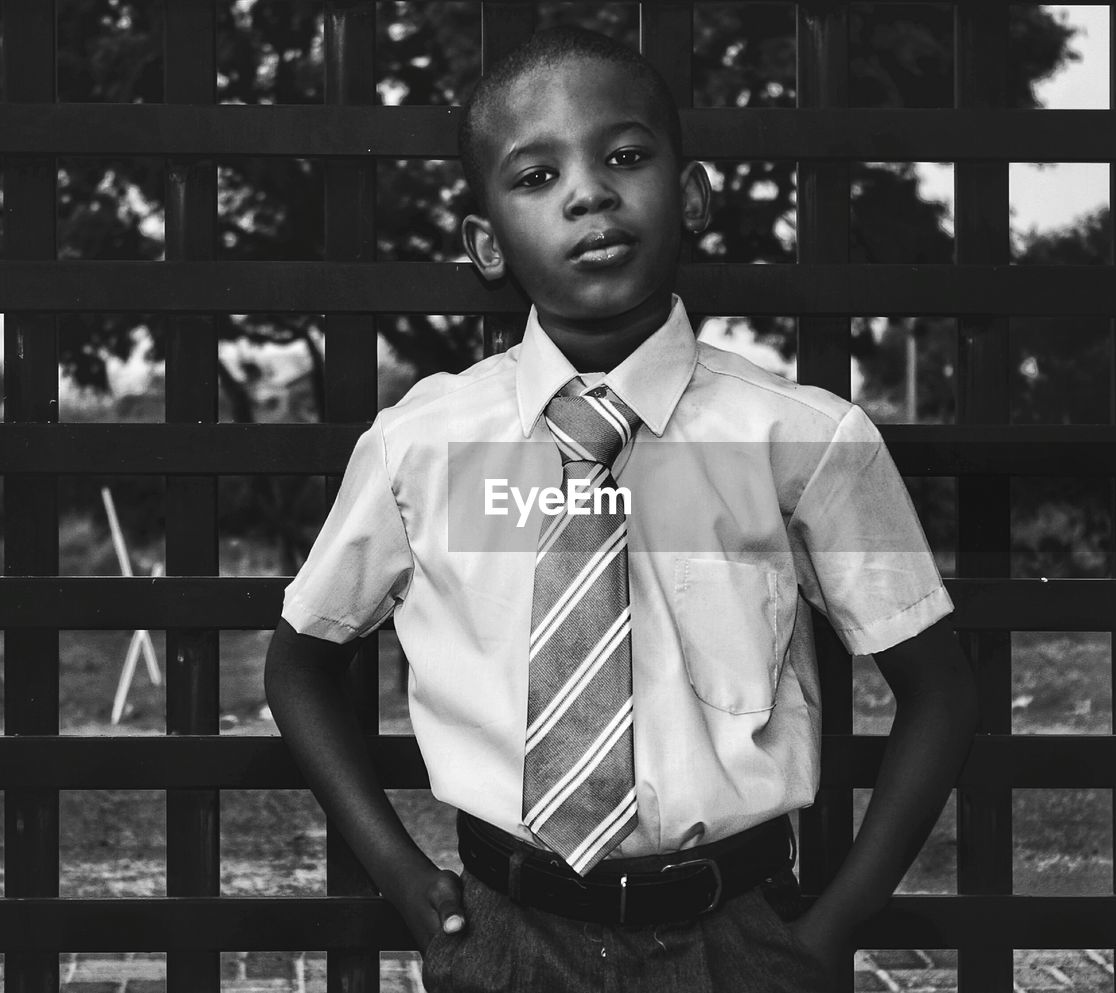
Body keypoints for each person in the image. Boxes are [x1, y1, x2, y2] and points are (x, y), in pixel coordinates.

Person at [264, 24, 980, 993]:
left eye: (625, 157)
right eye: (534, 177)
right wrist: (405, 881)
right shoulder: (422, 444)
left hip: (736, 941)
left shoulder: (803, 439)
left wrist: (823, 936)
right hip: (505, 941)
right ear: (485, 242)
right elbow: (302, 661)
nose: (588, 193)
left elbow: (938, 690)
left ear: (688, 195)